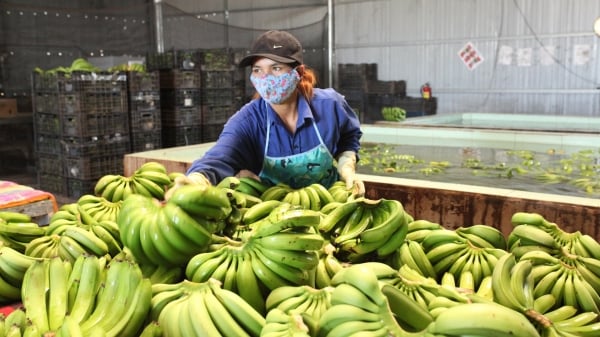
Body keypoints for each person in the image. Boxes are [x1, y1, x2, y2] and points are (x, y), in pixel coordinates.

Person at [184, 30, 365, 195]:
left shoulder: (329, 106)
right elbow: (220, 157)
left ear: (299, 72)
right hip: (272, 215)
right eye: (258, 70)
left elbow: (348, 136)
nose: (265, 78)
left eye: (276, 68)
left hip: (328, 205)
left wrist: (346, 163)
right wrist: (197, 179)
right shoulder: (248, 121)